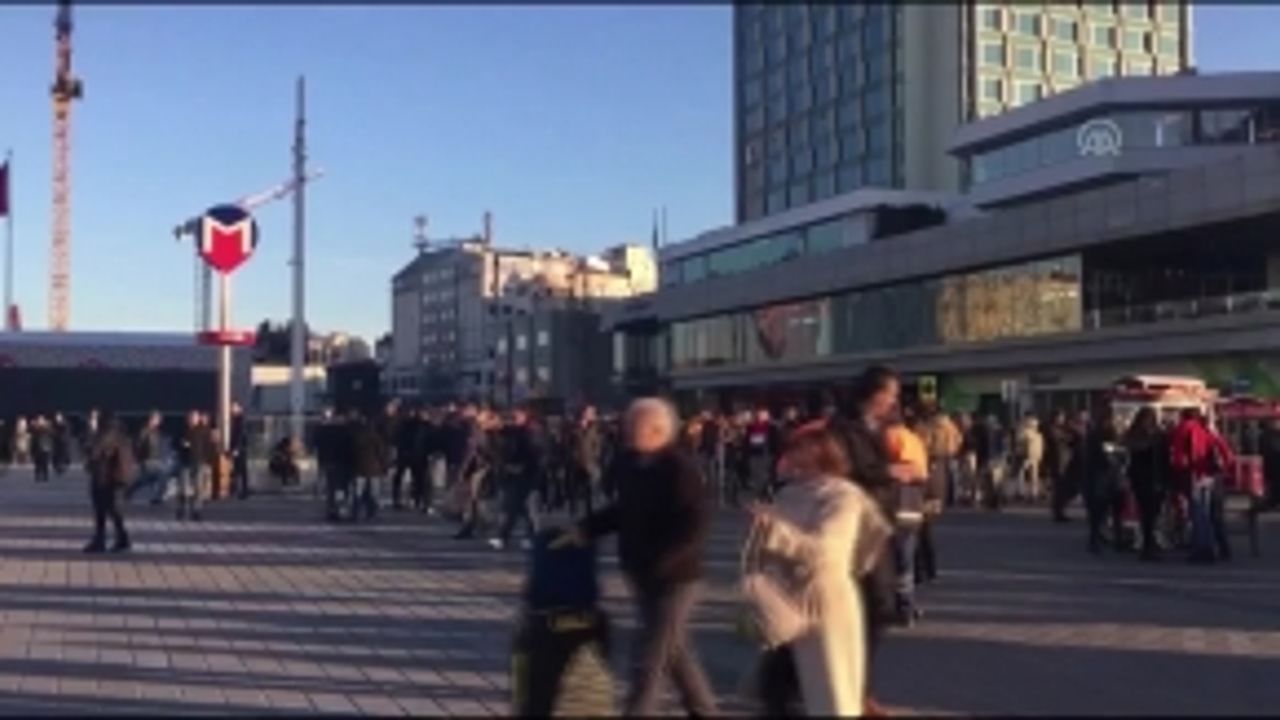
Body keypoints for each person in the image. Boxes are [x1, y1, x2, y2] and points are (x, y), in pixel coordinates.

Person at [573, 398, 717, 717]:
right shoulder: (631, 462)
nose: (626, 429)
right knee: (675, 653)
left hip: (675, 579)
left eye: (634, 424)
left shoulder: (680, 469)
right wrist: (585, 528)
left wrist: (665, 561)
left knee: (649, 660)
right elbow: (623, 510)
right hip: (641, 573)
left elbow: (695, 525)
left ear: (657, 430)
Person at [746, 423, 892, 716]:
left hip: (826, 600)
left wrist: (775, 532)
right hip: (788, 603)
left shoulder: (843, 496)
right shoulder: (789, 494)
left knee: (833, 693)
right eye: (792, 447)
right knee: (781, 693)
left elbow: (828, 554)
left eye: (801, 447)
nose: (792, 455)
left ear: (822, 452)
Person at [827, 365, 915, 714]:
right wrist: (888, 471)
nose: (894, 402)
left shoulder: (878, 426)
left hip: (879, 522)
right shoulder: (843, 426)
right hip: (855, 526)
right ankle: (854, 691)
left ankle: (858, 688)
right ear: (873, 393)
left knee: (876, 607)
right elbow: (842, 469)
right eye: (890, 394)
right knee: (870, 606)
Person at [1170, 408, 1235, 562]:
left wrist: (1178, 472)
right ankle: (1210, 546)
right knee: (1205, 512)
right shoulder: (1206, 428)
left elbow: (1178, 456)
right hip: (1209, 474)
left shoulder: (1184, 428)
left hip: (1193, 473)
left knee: (1198, 513)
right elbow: (1226, 452)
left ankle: (1202, 548)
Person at [490, 407, 545, 551]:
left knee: (513, 507)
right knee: (521, 507)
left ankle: (503, 537)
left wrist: (522, 466)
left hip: (525, 473)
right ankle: (528, 536)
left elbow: (536, 453)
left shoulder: (531, 432)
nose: (516, 418)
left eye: (519, 415)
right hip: (513, 473)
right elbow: (504, 436)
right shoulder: (516, 431)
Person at [1125, 407, 1170, 562]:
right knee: (1150, 513)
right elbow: (1162, 458)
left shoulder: (1137, 435)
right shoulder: (1155, 436)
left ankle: (1148, 544)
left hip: (1143, 478)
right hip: (1150, 478)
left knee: (1148, 513)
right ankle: (1148, 545)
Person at [84, 415, 134, 554]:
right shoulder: (118, 433)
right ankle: (116, 539)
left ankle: (108, 540)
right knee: (111, 510)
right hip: (113, 477)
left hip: (106, 478)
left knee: (106, 510)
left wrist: (91, 431)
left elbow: (94, 451)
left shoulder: (108, 434)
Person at [177, 410, 213, 522]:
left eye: (195, 418)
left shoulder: (203, 431)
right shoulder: (183, 431)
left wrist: (206, 460)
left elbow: (209, 446)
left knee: (198, 488)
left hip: (199, 462)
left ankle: (196, 511)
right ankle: (182, 509)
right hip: (185, 462)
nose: (192, 420)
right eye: (191, 418)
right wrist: (182, 446)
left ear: (198, 419)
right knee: (184, 488)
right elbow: (175, 444)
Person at [350, 411, 386, 522]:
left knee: (358, 492)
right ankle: (371, 513)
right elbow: (381, 453)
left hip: (359, 467)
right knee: (373, 493)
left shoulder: (355, 437)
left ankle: (355, 513)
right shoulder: (376, 437)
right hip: (374, 468)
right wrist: (384, 466)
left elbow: (351, 452)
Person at [568, 405, 604, 518]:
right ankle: (574, 510)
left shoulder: (596, 428)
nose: (588, 414)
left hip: (590, 463)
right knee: (574, 489)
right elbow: (570, 443)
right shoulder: (575, 427)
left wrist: (595, 456)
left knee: (590, 490)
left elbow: (598, 445)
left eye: (591, 413)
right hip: (577, 463)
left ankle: (590, 513)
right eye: (587, 412)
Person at [1046, 410, 1076, 522]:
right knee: (1059, 487)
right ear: (1055, 417)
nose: (1062, 419)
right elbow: (1061, 439)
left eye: (1063, 417)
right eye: (1061, 417)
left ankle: (1060, 511)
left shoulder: (1062, 429)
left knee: (1062, 487)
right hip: (1057, 461)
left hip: (1063, 460)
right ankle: (1058, 512)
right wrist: (1068, 436)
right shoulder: (1052, 429)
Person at [1015, 412, 1045, 503]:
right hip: (1035, 454)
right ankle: (1033, 493)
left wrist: (1018, 451)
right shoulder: (1037, 430)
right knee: (1033, 475)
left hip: (1026, 454)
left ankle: (1021, 492)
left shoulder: (1023, 429)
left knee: (1021, 473)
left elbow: (1019, 441)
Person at [229, 402, 250, 499]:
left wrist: (236, 448)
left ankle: (242, 490)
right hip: (239, 448)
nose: (231, 409)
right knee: (238, 470)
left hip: (240, 449)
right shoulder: (236, 419)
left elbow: (240, 435)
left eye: (233, 407)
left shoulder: (241, 420)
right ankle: (239, 490)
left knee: (241, 470)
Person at [31, 416, 53, 483]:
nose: (41, 422)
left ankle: (45, 476)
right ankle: (38, 476)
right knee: (38, 464)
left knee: (44, 464)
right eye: (40, 420)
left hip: (44, 448)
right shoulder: (36, 430)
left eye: (42, 420)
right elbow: (33, 440)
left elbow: (50, 436)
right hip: (38, 449)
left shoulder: (46, 430)